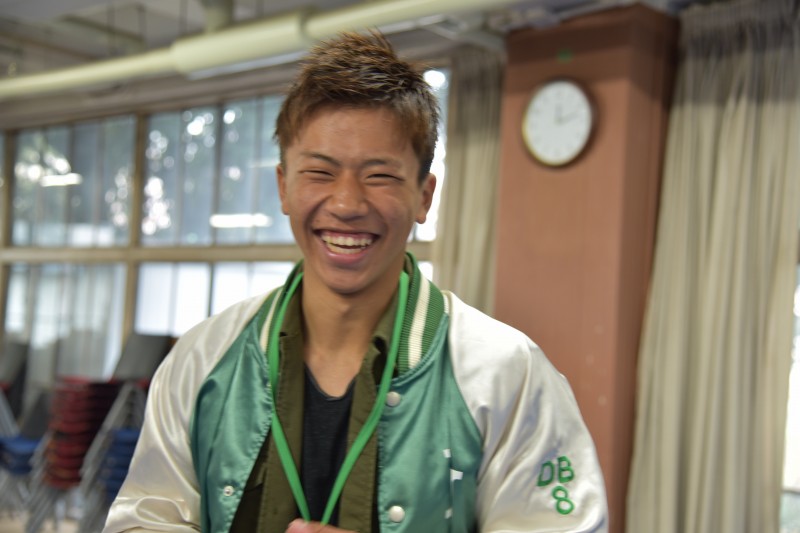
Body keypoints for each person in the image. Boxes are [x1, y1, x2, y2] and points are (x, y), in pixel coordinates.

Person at [103, 31, 607, 533]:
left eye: (380, 176)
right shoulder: (202, 360)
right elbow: (143, 520)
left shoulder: (505, 374)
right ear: (283, 186)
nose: (346, 204)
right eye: (319, 173)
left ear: (424, 196)